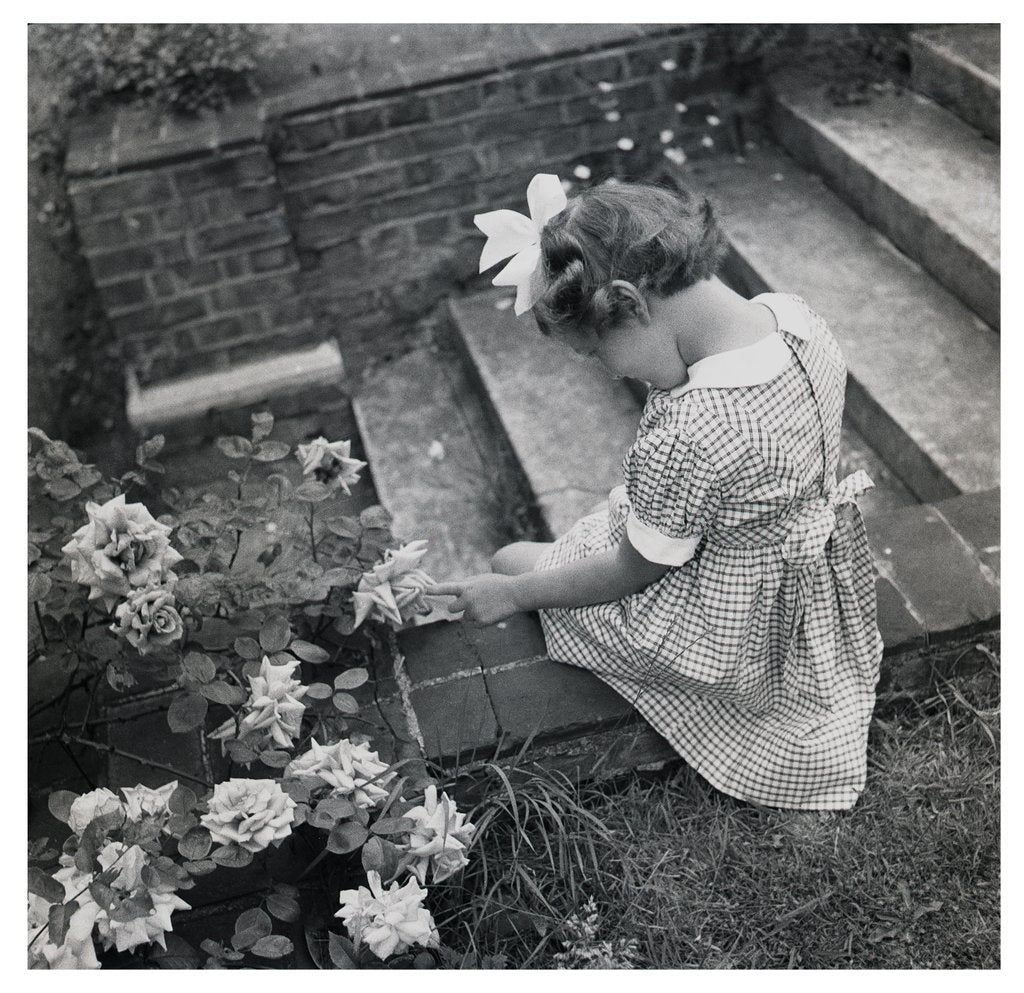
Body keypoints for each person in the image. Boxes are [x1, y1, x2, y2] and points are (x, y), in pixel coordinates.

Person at [427, 174, 883, 810]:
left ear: (630, 303)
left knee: (510, 561)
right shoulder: (795, 319)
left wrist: (512, 594)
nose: (612, 371)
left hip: (724, 615)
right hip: (803, 575)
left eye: (600, 353)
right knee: (558, 550)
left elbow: (632, 570)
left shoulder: (694, 431)